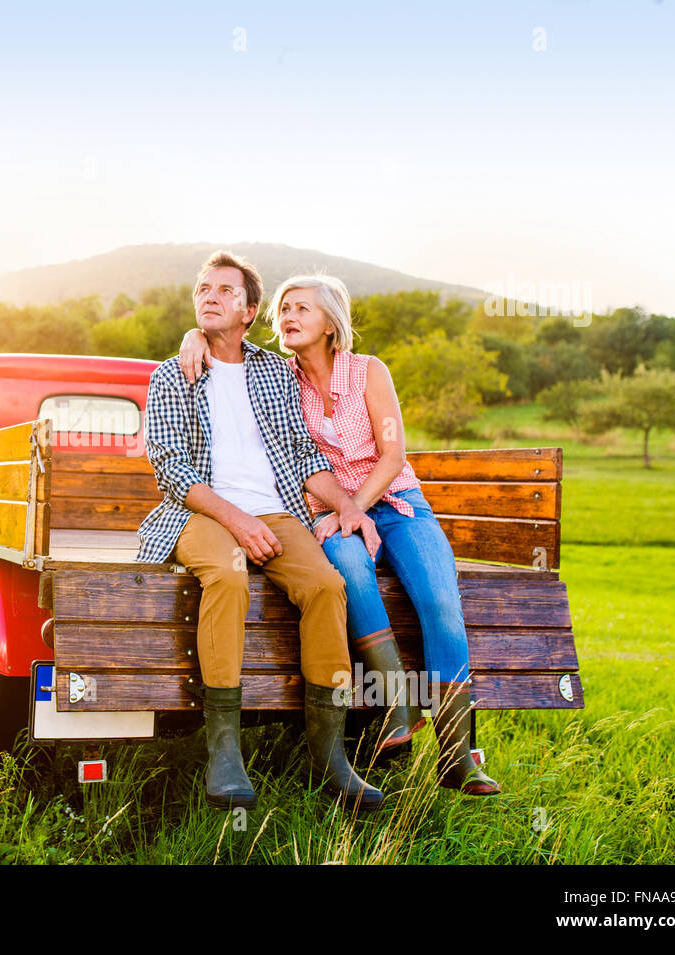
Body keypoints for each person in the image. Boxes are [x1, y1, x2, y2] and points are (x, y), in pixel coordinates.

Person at [178, 273, 500, 796]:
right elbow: (223, 348)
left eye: (302, 308)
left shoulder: (370, 372)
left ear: (331, 323)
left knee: (441, 604)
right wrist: (194, 337)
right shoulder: (277, 378)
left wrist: (357, 509)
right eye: (283, 308)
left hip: (395, 502)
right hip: (327, 511)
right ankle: (397, 703)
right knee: (347, 573)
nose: (288, 317)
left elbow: (393, 453)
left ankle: (457, 756)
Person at [137, 250, 385, 812]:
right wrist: (236, 520)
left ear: (250, 311)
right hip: (198, 514)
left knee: (326, 587)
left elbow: (301, 454)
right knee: (228, 577)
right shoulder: (171, 374)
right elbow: (171, 468)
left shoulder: (274, 371)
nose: (209, 296)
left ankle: (329, 754)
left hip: (275, 514)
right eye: (203, 288)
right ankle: (224, 749)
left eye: (225, 291)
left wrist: (348, 506)